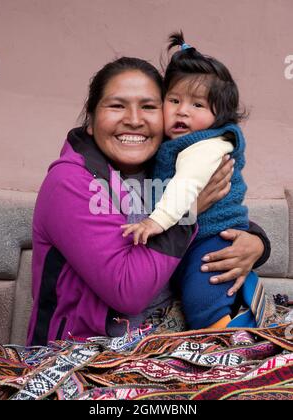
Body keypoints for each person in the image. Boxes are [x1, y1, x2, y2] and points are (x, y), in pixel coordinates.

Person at [27, 56, 270, 346]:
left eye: (149, 107)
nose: (134, 119)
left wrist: (256, 243)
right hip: (86, 350)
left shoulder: (163, 166)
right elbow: (127, 291)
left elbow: (216, 212)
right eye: (117, 106)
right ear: (90, 121)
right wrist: (187, 214)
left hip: (171, 341)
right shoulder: (69, 183)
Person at [121, 32, 267, 330]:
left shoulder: (204, 146)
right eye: (173, 100)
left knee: (203, 296)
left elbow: (184, 186)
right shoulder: (170, 143)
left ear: (219, 117)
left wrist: (154, 222)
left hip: (212, 237)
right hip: (191, 237)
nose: (182, 110)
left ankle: (224, 340)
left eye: (197, 105)